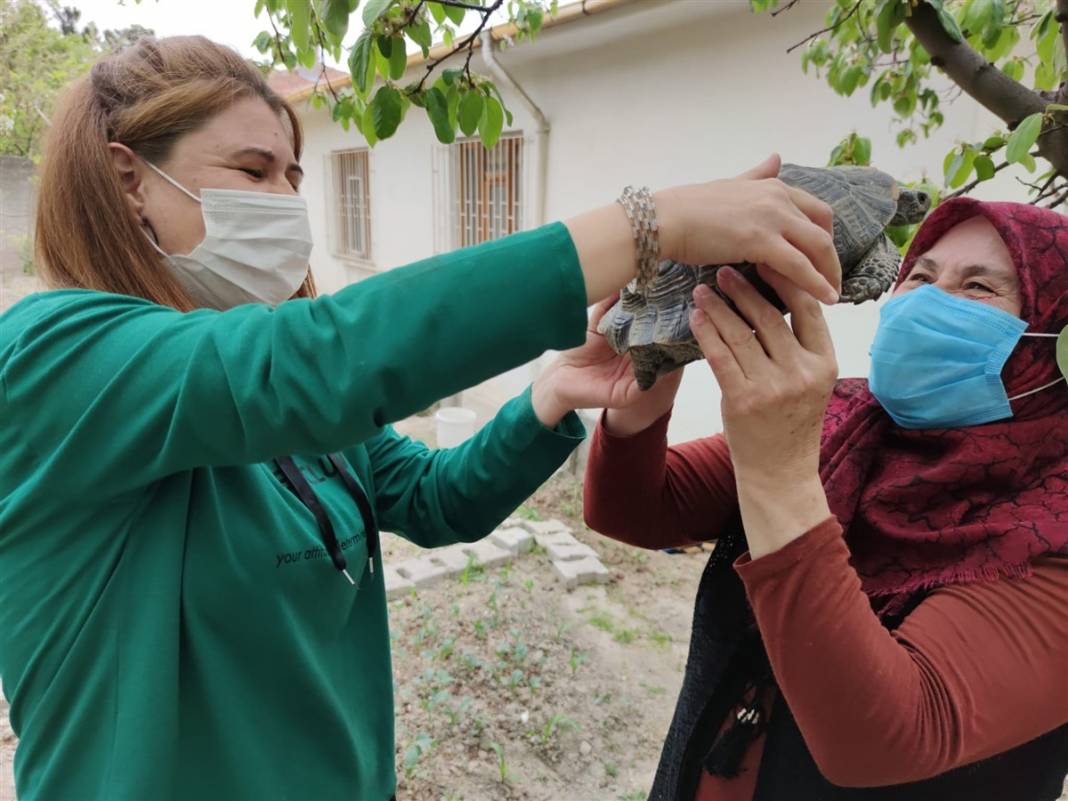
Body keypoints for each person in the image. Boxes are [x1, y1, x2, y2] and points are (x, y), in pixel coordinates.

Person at [0, 35, 841, 801]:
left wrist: (552, 395)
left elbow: (437, 500)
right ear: (128, 179)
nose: (286, 202)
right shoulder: (54, 358)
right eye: (253, 172)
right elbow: (317, 362)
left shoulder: (277, 394)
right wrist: (648, 226)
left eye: (293, 176)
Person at [582, 197, 1068, 800]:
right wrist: (647, 378)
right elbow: (635, 508)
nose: (926, 300)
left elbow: (885, 736)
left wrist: (781, 473)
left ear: (1054, 341)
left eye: (977, 288)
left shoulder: (1053, 528)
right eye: (919, 275)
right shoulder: (846, 418)